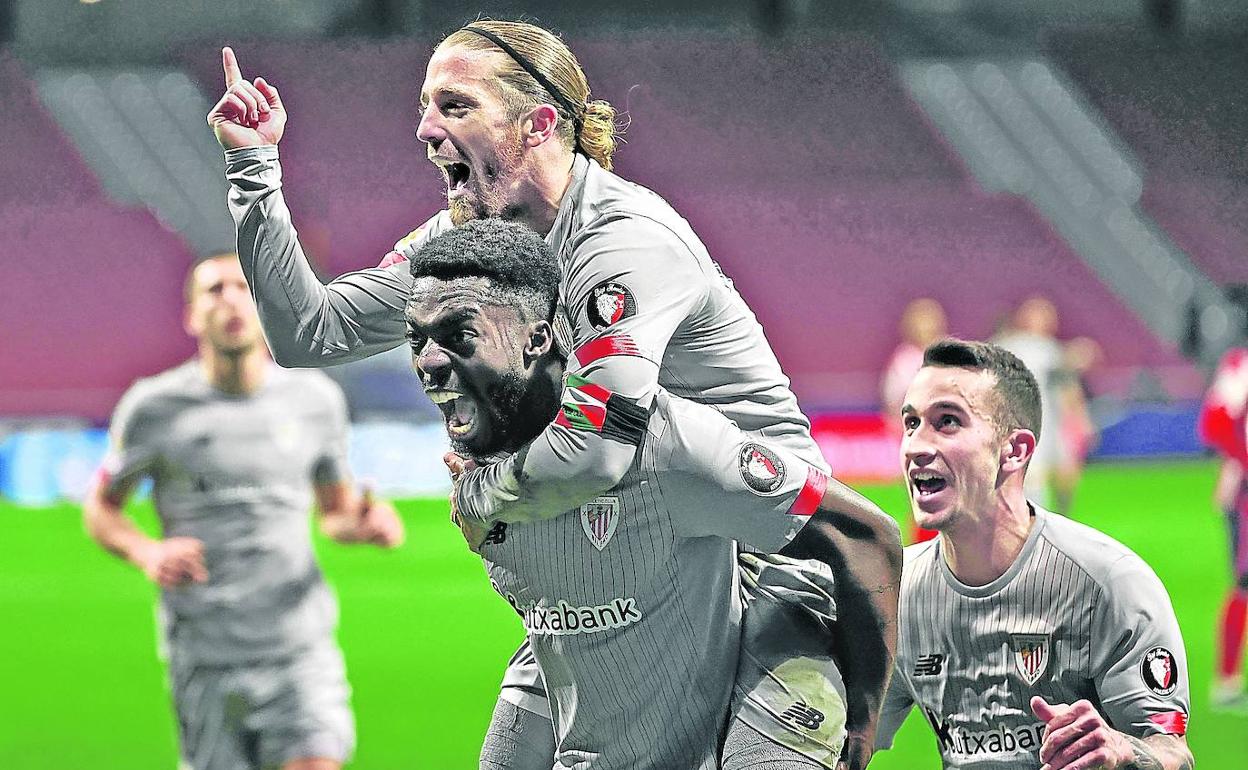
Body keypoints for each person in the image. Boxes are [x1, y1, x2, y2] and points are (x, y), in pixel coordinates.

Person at [207, 19, 899, 767]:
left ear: (540, 123)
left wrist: (482, 492)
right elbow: (310, 333)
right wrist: (254, 170)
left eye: (455, 106)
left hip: (759, 550)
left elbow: (599, 451)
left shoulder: (623, 243)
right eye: (424, 106)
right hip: (619, 546)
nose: (424, 129)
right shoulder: (471, 248)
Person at [404, 218, 901, 769]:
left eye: (457, 337)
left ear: (537, 340)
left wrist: (863, 718)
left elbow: (864, 534)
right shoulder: (480, 470)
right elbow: (562, 613)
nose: (427, 362)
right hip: (569, 685)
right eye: (416, 340)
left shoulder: (663, 444)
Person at [82, 254, 405, 770]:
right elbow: (101, 509)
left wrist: (364, 526)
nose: (231, 299)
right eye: (214, 290)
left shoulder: (315, 400)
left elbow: (335, 514)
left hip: (298, 650)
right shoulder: (153, 409)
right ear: (191, 314)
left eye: (243, 287)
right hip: (207, 659)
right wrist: (146, 552)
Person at [873, 338, 1193, 769]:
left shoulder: (1109, 583)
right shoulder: (895, 594)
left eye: (947, 422)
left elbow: (1173, 753)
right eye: (911, 424)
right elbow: (846, 742)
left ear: (1015, 450)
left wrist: (1122, 751)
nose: (915, 446)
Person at [1198, 341, 1248, 710]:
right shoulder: (1240, 365)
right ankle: (1227, 680)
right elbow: (1214, 422)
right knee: (1244, 583)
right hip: (1245, 491)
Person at [880, 297, 948, 543]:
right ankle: (925, 551)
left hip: (950, 441)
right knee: (925, 496)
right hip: (919, 443)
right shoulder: (905, 361)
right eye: (921, 320)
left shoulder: (950, 355)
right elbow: (891, 406)